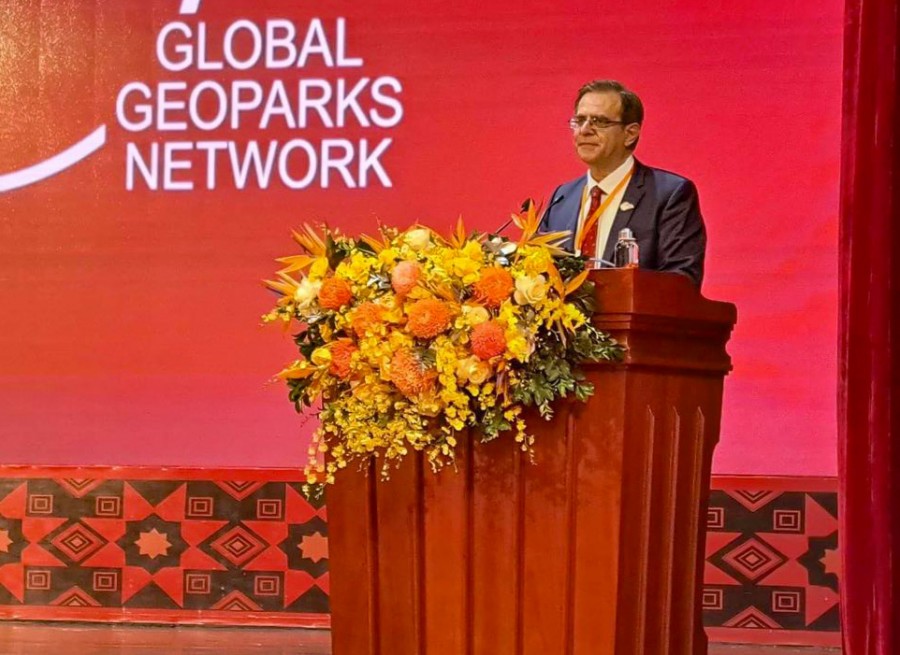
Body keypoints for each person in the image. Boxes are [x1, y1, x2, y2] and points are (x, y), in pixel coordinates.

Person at [540, 80, 706, 287]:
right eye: (579, 120)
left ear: (630, 134)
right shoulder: (562, 198)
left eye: (599, 121)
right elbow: (539, 272)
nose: (584, 130)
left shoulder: (669, 194)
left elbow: (682, 281)